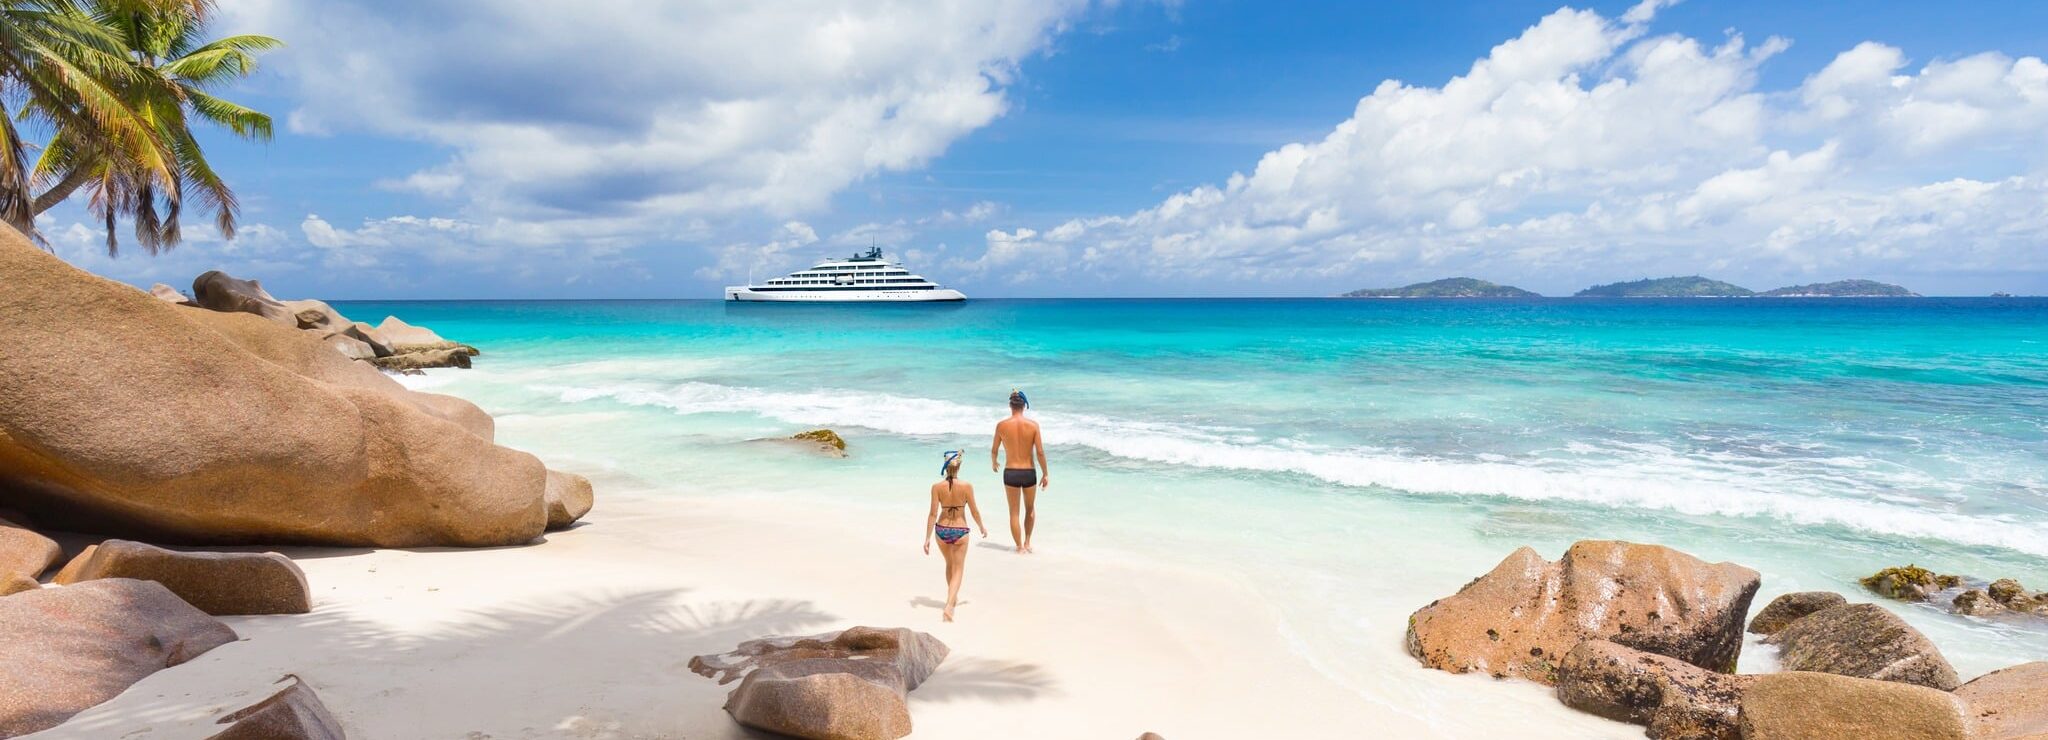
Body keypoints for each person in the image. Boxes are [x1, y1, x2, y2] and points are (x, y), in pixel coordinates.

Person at [923, 450, 986, 622]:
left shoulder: (936, 487)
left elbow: (932, 514)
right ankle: (950, 606)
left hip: (941, 531)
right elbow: (974, 510)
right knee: (958, 569)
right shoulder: (967, 486)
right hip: (960, 531)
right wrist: (981, 526)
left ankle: (952, 597)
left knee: (949, 564)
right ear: (959, 466)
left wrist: (927, 538)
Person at [990, 389, 1048, 554]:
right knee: (1030, 509)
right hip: (1029, 472)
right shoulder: (1033, 426)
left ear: (1010, 405)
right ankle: (1028, 542)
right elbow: (1040, 452)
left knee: (1014, 513)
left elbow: (994, 450)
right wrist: (1045, 473)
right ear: (1024, 406)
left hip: (1011, 472)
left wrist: (994, 462)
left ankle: (1019, 547)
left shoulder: (1001, 426)